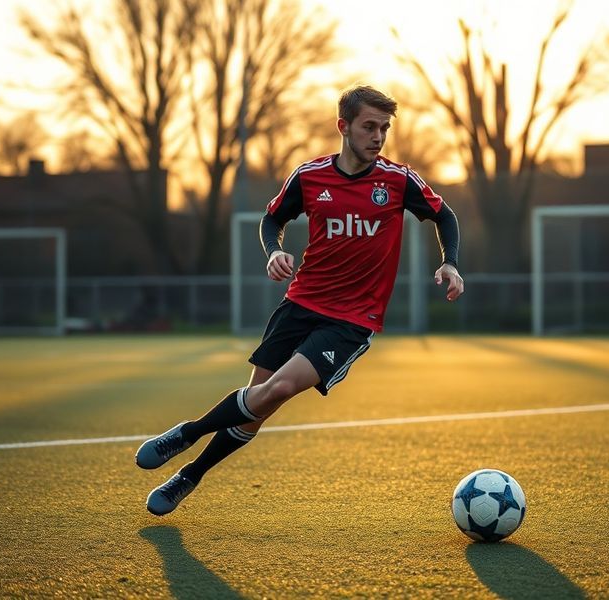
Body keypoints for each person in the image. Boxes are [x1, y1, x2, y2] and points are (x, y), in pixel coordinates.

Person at [135, 85, 464, 515]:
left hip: (351, 320)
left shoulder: (398, 180)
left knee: (280, 388)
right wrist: (274, 251)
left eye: (384, 128)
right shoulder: (310, 176)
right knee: (258, 405)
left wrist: (450, 262)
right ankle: (189, 476)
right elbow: (271, 219)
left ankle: (187, 435)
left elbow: (444, 215)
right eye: (369, 127)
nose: (378, 137)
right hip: (301, 303)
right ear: (343, 126)